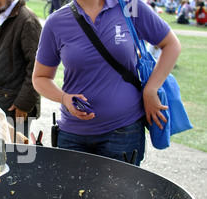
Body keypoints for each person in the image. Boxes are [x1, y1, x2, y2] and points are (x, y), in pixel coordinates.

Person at [32, 0, 181, 165]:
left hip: (124, 131)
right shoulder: (56, 22)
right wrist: (64, 98)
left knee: (121, 191)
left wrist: (151, 90)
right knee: (73, 191)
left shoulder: (130, 7)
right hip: (73, 136)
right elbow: (40, 78)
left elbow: (171, 45)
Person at [0, 0, 42, 140]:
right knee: (2, 152)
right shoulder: (7, 16)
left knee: (17, 155)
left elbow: (38, 65)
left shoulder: (27, 20)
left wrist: (24, 103)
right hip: (4, 101)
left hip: (16, 106)